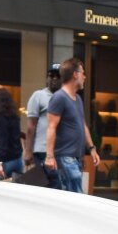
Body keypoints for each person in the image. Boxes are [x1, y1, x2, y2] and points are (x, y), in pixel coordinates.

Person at [44, 58, 100, 193]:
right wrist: (49, 156)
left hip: (76, 157)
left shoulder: (78, 99)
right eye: (83, 73)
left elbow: (83, 125)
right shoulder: (59, 97)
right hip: (64, 156)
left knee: (71, 198)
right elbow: (51, 127)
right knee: (76, 197)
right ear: (75, 74)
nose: (85, 77)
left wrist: (92, 149)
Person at [24, 64, 63, 188]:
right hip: (41, 151)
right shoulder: (38, 96)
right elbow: (31, 126)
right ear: (47, 78)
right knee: (44, 187)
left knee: (58, 188)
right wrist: (28, 151)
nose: (54, 79)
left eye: (58, 76)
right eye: (51, 76)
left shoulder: (65, 97)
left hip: (61, 152)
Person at [0, 88, 24, 181]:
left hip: (5, 160)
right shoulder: (15, 116)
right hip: (18, 159)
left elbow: (3, 141)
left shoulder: (0, 118)